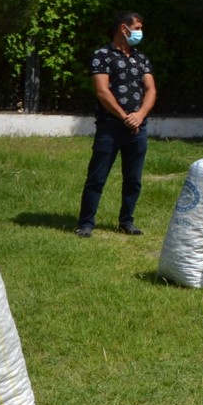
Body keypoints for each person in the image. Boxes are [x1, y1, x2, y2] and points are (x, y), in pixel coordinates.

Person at [75, 12, 156, 237]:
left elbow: (151, 89)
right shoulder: (102, 55)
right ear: (123, 28)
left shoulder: (141, 58)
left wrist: (139, 115)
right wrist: (124, 116)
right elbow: (102, 91)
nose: (140, 32)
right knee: (97, 176)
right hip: (110, 127)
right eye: (137, 27)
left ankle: (127, 221)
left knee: (133, 179)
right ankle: (86, 223)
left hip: (138, 129)